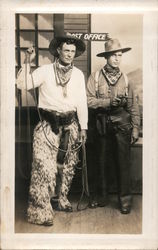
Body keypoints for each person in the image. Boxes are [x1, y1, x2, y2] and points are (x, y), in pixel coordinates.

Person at [16, 33, 88, 226]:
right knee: (43, 169)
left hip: (70, 126)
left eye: (73, 51)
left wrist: (84, 127)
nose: (70, 54)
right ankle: (40, 212)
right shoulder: (45, 71)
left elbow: (82, 102)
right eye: (66, 50)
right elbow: (23, 84)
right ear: (58, 51)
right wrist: (26, 62)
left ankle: (60, 199)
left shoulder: (79, 75)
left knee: (67, 167)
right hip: (48, 126)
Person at [86, 38, 140, 214]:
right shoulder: (94, 77)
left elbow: (133, 106)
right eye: (113, 55)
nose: (117, 58)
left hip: (122, 125)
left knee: (123, 164)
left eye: (119, 55)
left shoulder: (126, 78)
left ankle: (125, 201)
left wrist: (136, 127)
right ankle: (100, 197)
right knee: (100, 161)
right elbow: (88, 101)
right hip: (101, 124)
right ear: (106, 57)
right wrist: (108, 102)